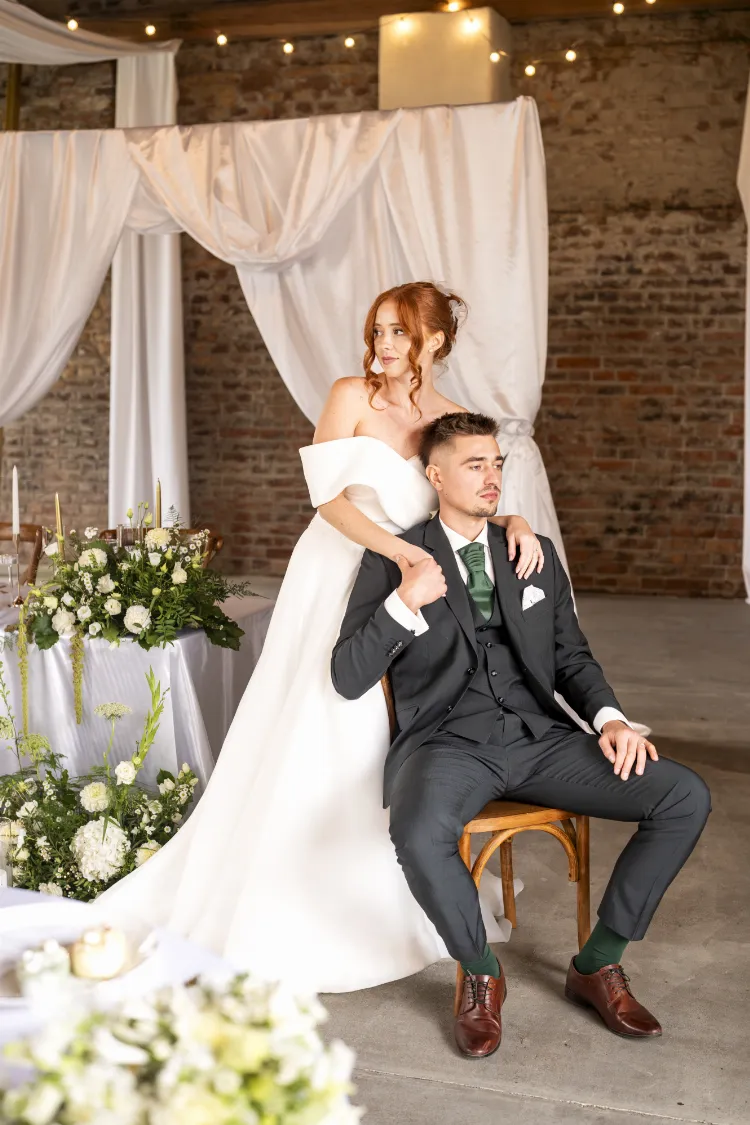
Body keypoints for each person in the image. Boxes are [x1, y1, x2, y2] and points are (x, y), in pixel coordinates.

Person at [97, 282, 543, 992]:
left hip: (410, 584)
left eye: (398, 333)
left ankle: (404, 884)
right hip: (340, 570)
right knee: (329, 715)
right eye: (377, 331)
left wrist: (512, 522)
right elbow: (326, 498)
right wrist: (400, 554)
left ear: (434, 341)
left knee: (393, 726)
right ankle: (291, 899)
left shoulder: (448, 418)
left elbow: (463, 496)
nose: (382, 345)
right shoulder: (350, 396)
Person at [332, 410, 711, 1057]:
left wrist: (612, 721)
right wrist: (405, 600)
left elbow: (571, 657)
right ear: (436, 475)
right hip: (448, 743)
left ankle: (597, 962)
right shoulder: (395, 558)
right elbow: (347, 675)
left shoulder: (531, 551)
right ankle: (480, 970)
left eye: (496, 463)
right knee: (418, 834)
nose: (492, 476)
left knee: (683, 795)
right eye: (474, 464)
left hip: (541, 739)